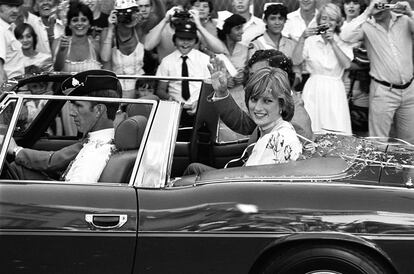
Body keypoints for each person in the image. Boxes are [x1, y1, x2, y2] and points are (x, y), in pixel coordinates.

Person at [7, 69, 122, 182]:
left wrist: (15, 149)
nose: (71, 113)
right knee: (17, 169)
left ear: (98, 110)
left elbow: (73, 195)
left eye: (78, 105)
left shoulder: (95, 154)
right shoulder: (99, 143)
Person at [184, 66, 302, 175]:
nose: (257, 108)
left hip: (244, 189)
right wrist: (221, 92)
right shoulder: (274, 127)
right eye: (254, 99)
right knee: (194, 169)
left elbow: (251, 184)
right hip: (244, 179)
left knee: (191, 174)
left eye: (267, 101)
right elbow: (242, 122)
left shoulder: (276, 137)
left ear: (282, 105)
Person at [341, 0, 414, 144]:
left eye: (382, 4)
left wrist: (410, 12)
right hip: (383, 92)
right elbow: (345, 35)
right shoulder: (366, 26)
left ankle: (405, 168)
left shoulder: (405, 20)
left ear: (389, 3)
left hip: (410, 90)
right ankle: (378, 167)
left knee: (409, 142)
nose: (378, 8)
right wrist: (367, 12)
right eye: (375, 4)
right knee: (378, 142)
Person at [211, 49, 313, 143]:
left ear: (278, 75)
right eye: (252, 75)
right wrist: (222, 93)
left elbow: (299, 160)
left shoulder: (297, 121)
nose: (254, 80)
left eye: (261, 74)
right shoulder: (268, 101)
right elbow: (245, 124)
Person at [292, 3, 353, 135]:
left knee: (336, 129)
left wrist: (333, 42)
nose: (327, 22)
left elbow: (347, 65)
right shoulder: (311, 41)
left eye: (331, 19)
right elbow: (296, 61)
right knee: (312, 127)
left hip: (335, 89)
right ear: (319, 20)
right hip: (314, 88)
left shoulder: (343, 40)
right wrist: (302, 38)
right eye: (324, 18)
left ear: (337, 23)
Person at [155, 20, 210, 125]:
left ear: (195, 41)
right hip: (175, 108)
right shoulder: (167, 61)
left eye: (189, 39)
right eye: (181, 39)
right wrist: (171, 99)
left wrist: (200, 102)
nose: (185, 43)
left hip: (200, 106)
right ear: (174, 40)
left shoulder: (204, 59)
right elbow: (160, 90)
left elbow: (209, 89)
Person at [144, 5, 226, 63]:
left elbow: (219, 49)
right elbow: (147, 46)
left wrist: (199, 26)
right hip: (167, 72)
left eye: (182, 14)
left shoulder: (193, 30)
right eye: (176, 13)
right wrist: (165, 20)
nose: (179, 17)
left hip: (192, 71)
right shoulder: (162, 29)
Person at [101, 0, 145, 98]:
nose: (128, 17)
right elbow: (104, 58)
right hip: (116, 92)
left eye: (132, 12)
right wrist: (111, 29)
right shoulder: (108, 32)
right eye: (124, 13)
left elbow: (159, 16)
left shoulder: (140, 29)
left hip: (139, 92)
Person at [248, 3, 301, 86]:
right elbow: (253, 74)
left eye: (280, 18)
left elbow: (297, 72)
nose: (277, 22)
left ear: (285, 21)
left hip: (287, 91)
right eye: (273, 18)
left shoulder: (292, 44)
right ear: (265, 21)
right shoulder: (256, 44)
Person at [53, 0, 102, 72]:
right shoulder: (58, 43)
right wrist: (61, 51)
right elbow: (57, 70)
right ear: (69, 24)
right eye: (75, 20)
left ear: (89, 24)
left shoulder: (96, 45)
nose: (79, 23)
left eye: (84, 20)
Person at [282, 0, 318, 91]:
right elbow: (283, 47)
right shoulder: (288, 20)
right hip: (293, 76)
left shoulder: (323, 18)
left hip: (317, 76)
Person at [216, 13, 248, 88]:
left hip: (240, 95)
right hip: (220, 94)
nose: (242, 31)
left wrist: (244, 77)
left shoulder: (245, 49)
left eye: (242, 28)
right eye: (238, 28)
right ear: (227, 30)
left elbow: (251, 72)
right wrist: (221, 81)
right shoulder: (215, 50)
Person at [0, 0, 25, 85]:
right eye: (10, 6)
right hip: (8, 91)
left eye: (17, 6)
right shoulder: (1, 30)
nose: (15, 10)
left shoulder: (10, 28)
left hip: (15, 89)